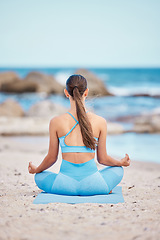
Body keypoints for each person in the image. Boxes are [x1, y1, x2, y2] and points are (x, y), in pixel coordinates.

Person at [28, 74, 130, 196]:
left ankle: (93, 187)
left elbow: (51, 158)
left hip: (64, 186)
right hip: (94, 185)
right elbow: (102, 159)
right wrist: (120, 162)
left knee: (39, 177)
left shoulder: (56, 122)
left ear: (66, 93)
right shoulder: (100, 122)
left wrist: (36, 169)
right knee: (118, 170)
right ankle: (103, 188)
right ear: (86, 92)